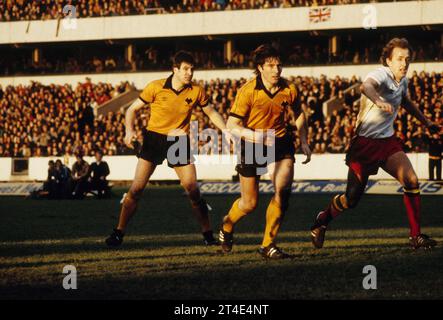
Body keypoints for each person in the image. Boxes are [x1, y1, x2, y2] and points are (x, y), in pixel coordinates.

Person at [310, 38, 441, 250]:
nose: (404, 64)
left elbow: (405, 100)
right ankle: (322, 219)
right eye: (399, 59)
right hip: (364, 144)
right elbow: (366, 86)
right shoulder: (380, 74)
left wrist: (426, 122)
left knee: (411, 180)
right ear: (388, 60)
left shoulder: (403, 80)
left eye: (407, 59)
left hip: (388, 142)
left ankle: (416, 236)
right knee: (351, 199)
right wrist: (377, 100)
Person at [105, 51, 227, 247]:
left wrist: (226, 130)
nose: (190, 73)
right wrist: (129, 131)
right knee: (136, 190)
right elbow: (131, 110)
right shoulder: (156, 86)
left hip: (178, 140)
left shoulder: (196, 90)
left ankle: (208, 235)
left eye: (192, 69)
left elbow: (211, 111)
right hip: (154, 139)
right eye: (186, 69)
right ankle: (118, 232)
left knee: (193, 189)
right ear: (175, 69)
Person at [219, 44, 311, 259]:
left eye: (279, 65)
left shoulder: (289, 89)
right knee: (249, 203)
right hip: (252, 142)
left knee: (283, 191)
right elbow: (232, 125)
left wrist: (304, 140)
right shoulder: (248, 91)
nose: (276, 70)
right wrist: (254, 136)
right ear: (260, 68)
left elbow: (299, 113)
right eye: (271, 65)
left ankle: (268, 244)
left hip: (280, 141)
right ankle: (227, 225)